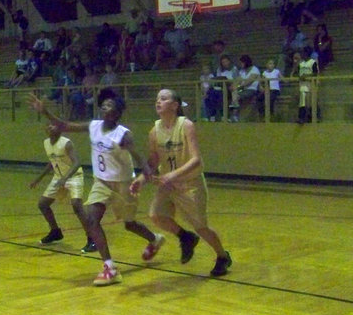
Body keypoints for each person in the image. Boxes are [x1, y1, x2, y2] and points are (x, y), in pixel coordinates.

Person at [30, 90, 163, 286]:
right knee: (92, 219)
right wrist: (45, 112)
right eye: (103, 105)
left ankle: (155, 239)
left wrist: (147, 173)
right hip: (101, 182)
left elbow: (138, 156)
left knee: (129, 224)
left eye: (109, 105)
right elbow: (65, 125)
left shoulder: (123, 134)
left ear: (117, 112)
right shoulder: (94, 126)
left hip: (123, 184)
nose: (104, 107)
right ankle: (110, 267)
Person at [130, 89, 232, 277]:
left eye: (163, 98)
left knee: (201, 227)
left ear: (175, 105)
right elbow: (153, 162)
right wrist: (141, 179)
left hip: (189, 183)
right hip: (168, 185)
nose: (158, 102)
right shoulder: (154, 131)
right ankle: (185, 237)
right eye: (157, 99)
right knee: (156, 215)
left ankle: (222, 256)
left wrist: (172, 175)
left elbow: (196, 160)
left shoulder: (186, 125)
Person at [27, 118, 96, 255]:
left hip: (74, 176)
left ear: (60, 128)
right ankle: (55, 232)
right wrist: (38, 179)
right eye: (48, 125)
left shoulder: (66, 143)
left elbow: (76, 163)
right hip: (59, 178)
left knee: (77, 206)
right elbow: (52, 162)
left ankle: (92, 239)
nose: (50, 127)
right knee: (43, 204)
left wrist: (65, 178)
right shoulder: (46, 143)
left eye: (53, 125)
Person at [291, 48, 319, 124]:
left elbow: (315, 73)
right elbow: (296, 73)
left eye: (303, 53)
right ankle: (301, 118)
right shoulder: (301, 63)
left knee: (310, 101)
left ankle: (313, 117)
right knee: (302, 101)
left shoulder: (312, 62)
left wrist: (306, 76)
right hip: (302, 84)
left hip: (310, 84)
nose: (302, 55)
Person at [236, 55, 262, 121]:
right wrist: (235, 87)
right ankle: (234, 115)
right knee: (232, 93)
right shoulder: (241, 71)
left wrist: (238, 87)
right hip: (242, 88)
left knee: (237, 95)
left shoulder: (255, 70)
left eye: (241, 63)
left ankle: (235, 113)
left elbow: (248, 82)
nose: (240, 64)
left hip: (251, 89)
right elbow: (238, 80)